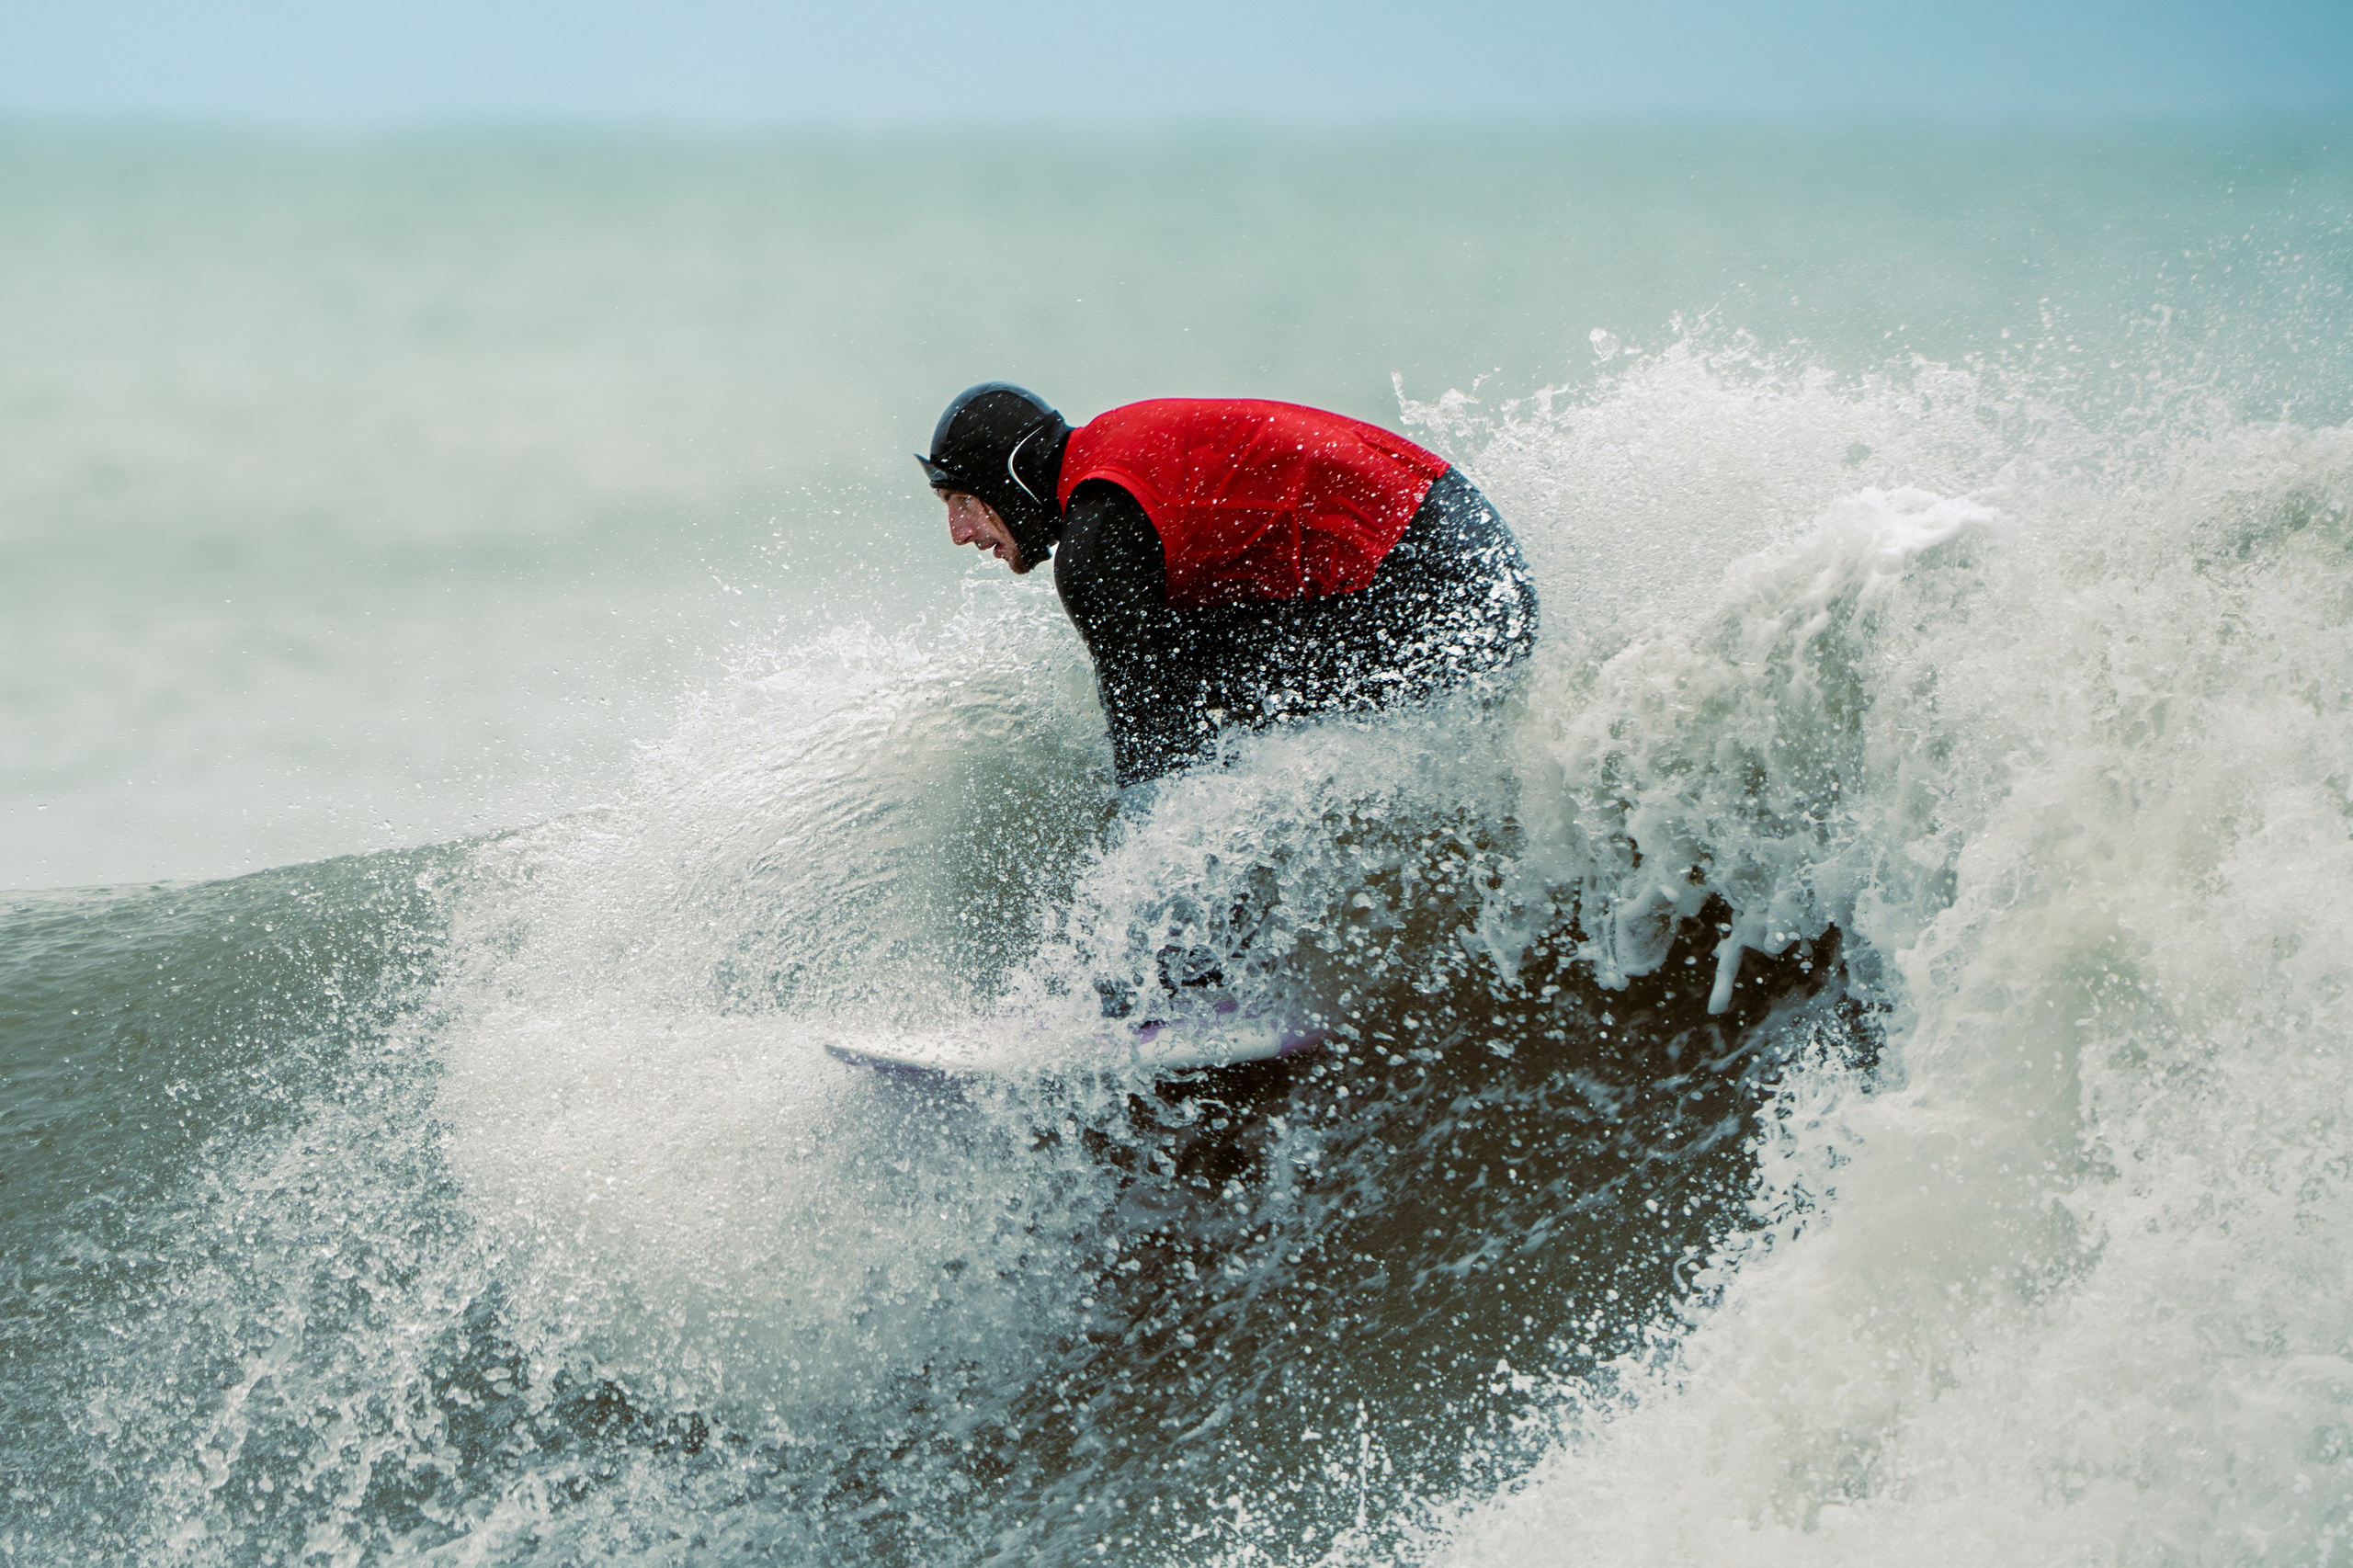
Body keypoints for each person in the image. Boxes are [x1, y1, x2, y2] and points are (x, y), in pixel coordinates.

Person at [917, 383, 1539, 793]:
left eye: (964, 500)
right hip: (1467, 551)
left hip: (1445, 585)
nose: (959, 532)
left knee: (1189, 711)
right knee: (1191, 673)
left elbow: (1152, 759)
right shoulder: (1110, 464)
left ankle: (1202, 978)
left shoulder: (1097, 543)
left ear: (1015, 475)